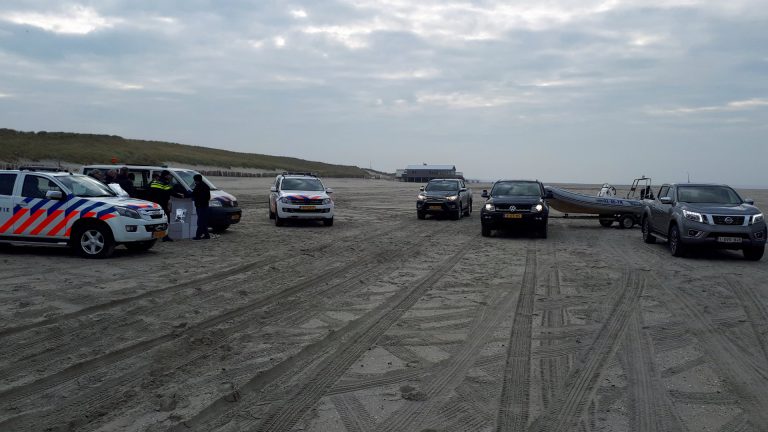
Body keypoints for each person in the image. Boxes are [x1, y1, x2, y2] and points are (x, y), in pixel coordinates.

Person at [150, 170, 181, 242]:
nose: (170, 177)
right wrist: (181, 196)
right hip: (163, 204)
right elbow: (171, 192)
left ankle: (154, 235)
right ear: (166, 176)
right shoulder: (165, 183)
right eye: (169, 175)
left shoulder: (154, 182)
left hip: (154, 204)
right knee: (166, 220)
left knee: (155, 220)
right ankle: (165, 236)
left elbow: (149, 190)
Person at [191, 174, 211, 240]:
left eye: (195, 180)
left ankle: (198, 236)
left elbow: (193, 194)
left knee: (200, 222)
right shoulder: (205, 186)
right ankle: (206, 235)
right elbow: (208, 197)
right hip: (205, 205)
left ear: (196, 180)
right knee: (203, 221)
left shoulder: (198, 186)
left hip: (200, 206)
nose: (194, 182)